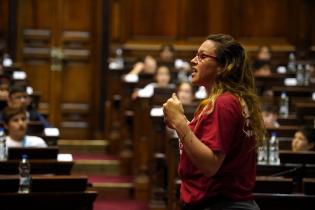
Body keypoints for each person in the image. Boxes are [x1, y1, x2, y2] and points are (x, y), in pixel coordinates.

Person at [163, 34, 264, 210]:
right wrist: (180, 122)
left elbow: (210, 165)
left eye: (202, 56)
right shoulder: (229, 100)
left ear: (223, 67)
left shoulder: (224, 103)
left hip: (221, 204)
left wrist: (180, 123)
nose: (193, 61)